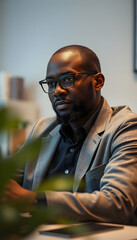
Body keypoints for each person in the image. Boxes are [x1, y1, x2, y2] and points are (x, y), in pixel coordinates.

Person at [4, 45, 137, 225]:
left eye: (68, 79)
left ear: (98, 82)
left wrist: (34, 200)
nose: (57, 91)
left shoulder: (126, 128)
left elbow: (117, 204)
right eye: (51, 84)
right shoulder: (41, 129)